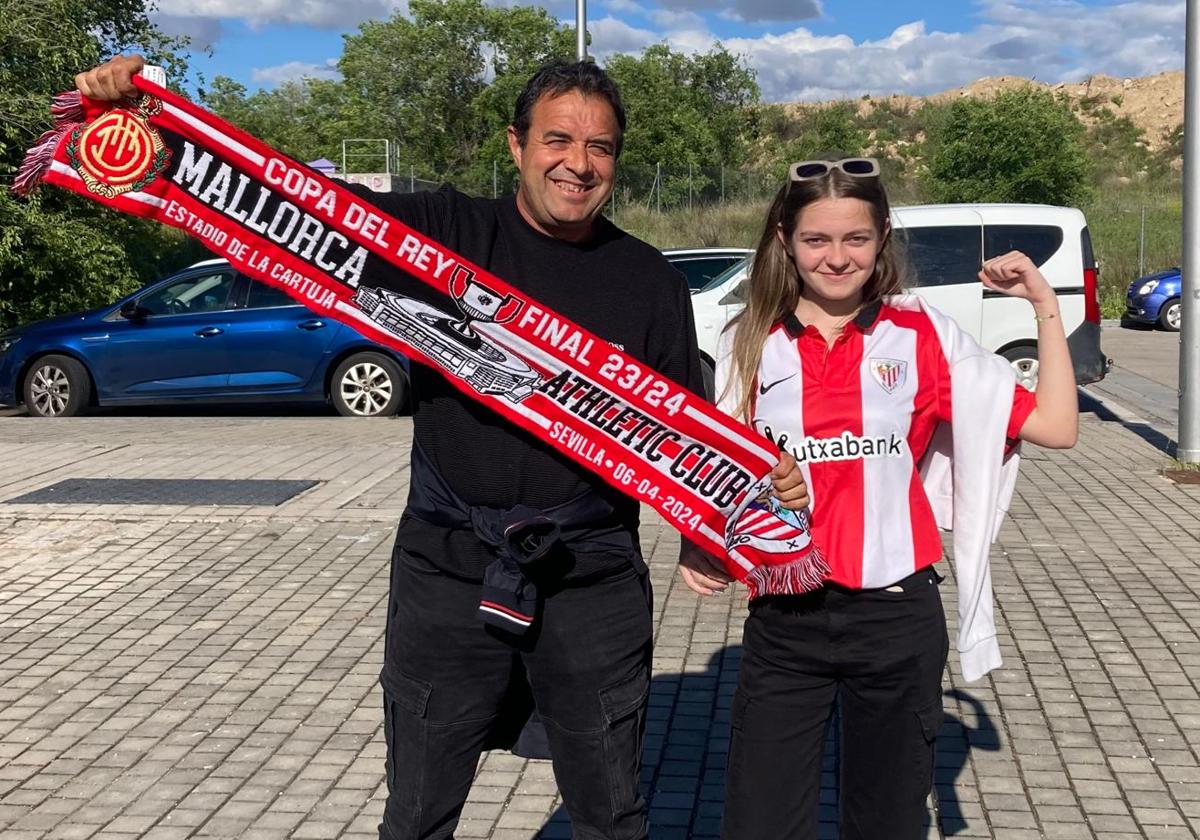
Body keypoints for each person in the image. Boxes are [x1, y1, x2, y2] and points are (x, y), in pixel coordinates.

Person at [73, 55, 808, 839]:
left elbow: (678, 424)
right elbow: (295, 206)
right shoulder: (446, 234)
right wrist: (151, 118)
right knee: (419, 809)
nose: (579, 164)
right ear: (516, 145)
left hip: (591, 573)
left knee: (611, 810)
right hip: (447, 562)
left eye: (601, 149)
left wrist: (732, 505)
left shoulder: (648, 277)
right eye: (558, 139)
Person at [677, 156, 1079, 840]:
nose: (837, 258)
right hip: (786, 619)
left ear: (882, 236)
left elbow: (1057, 426)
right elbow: (716, 480)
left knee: (885, 824)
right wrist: (708, 540)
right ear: (784, 239)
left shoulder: (924, 334)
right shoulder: (746, 341)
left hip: (896, 618)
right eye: (817, 240)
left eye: (856, 239)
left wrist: (1042, 302)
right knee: (760, 824)